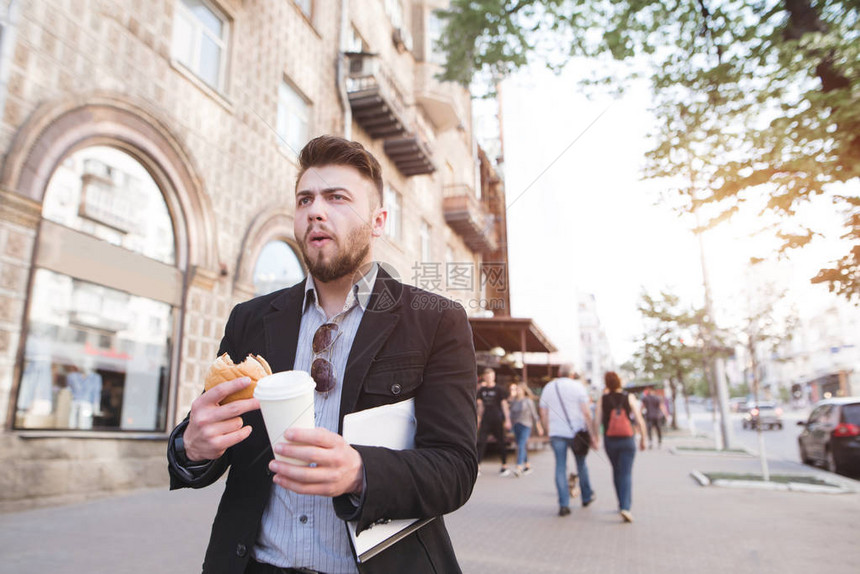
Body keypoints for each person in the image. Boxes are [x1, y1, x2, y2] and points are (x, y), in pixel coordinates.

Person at [166, 135, 478, 574]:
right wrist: (191, 447)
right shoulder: (250, 319)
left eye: (336, 197)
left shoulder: (436, 321)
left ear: (377, 221)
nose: (315, 209)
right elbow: (207, 433)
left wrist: (361, 472)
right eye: (304, 199)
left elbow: (456, 468)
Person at [539, 364, 597, 516]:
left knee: (560, 467)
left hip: (556, 433)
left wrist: (547, 431)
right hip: (577, 433)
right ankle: (586, 496)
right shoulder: (578, 387)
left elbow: (543, 413)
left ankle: (564, 504)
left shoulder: (549, 387)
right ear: (572, 374)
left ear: (559, 373)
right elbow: (586, 413)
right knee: (581, 464)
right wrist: (593, 435)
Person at [594, 371, 647, 523]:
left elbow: (596, 421)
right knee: (626, 473)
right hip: (628, 440)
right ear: (619, 382)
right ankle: (625, 507)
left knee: (617, 471)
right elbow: (639, 420)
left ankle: (621, 504)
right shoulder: (628, 397)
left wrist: (595, 437)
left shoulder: (602, 399)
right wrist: (643, 438)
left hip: (610, 440)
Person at [476, 367, 513, 476]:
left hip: (497, 418)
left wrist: (507, 419)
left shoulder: (499, 389)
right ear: (484, 377)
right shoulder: (482, 391)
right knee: (481, 442)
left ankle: (504, 466)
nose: (489, 378)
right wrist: (478, 418)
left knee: (501, 442)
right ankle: (477, 467)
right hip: (486, 419)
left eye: (491, 376)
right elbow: (480, 406)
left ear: (494, 377)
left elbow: (504, 405)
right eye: (487, 376)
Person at [507, 381, 543, 476]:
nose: (517, 391)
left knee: (521, 445)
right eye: (516, 389)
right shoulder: (514, 401)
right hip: (516, 425)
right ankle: (527, 465)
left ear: (523, 391)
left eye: (519, 389)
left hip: (526, 425)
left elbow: (534, 415)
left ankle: (518, 466)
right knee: (520, 444)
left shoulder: (528, 401)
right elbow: (510, 414)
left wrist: (539, 427)